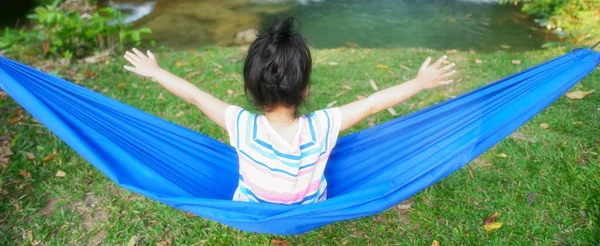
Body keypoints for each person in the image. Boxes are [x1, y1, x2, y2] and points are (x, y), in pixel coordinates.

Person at [123, 17, 456, 205]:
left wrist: (155, 71)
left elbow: (194, 96)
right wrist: (418, 82)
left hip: (251, 209)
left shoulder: (240, 125)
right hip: (310, 209)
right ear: (305, 90)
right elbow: (372, 104)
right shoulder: (323, 126)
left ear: (251, 90)